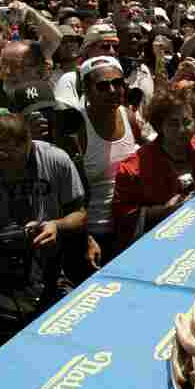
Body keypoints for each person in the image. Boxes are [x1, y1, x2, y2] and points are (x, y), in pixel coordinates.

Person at [0, 113, 87, 345]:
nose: (8, 166)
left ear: (29, 143)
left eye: (15, 157)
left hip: (51, 274)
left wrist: (56, 225)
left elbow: (81, 214)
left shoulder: (55, 159)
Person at [112, 86, 195, 253]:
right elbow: (122, 218)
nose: (182, 130)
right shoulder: (133, 168)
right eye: (173, 123)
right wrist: (163, 212)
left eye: (187, 122)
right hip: (158, 248)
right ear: (159, 126)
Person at [79, 57, 142, 263]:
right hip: (95, 236)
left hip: (131, 226)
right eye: (103, 86)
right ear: (87, 91)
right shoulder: (78, 128)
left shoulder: (130, 117)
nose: (113, 90)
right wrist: (85, 238)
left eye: (118, 83)